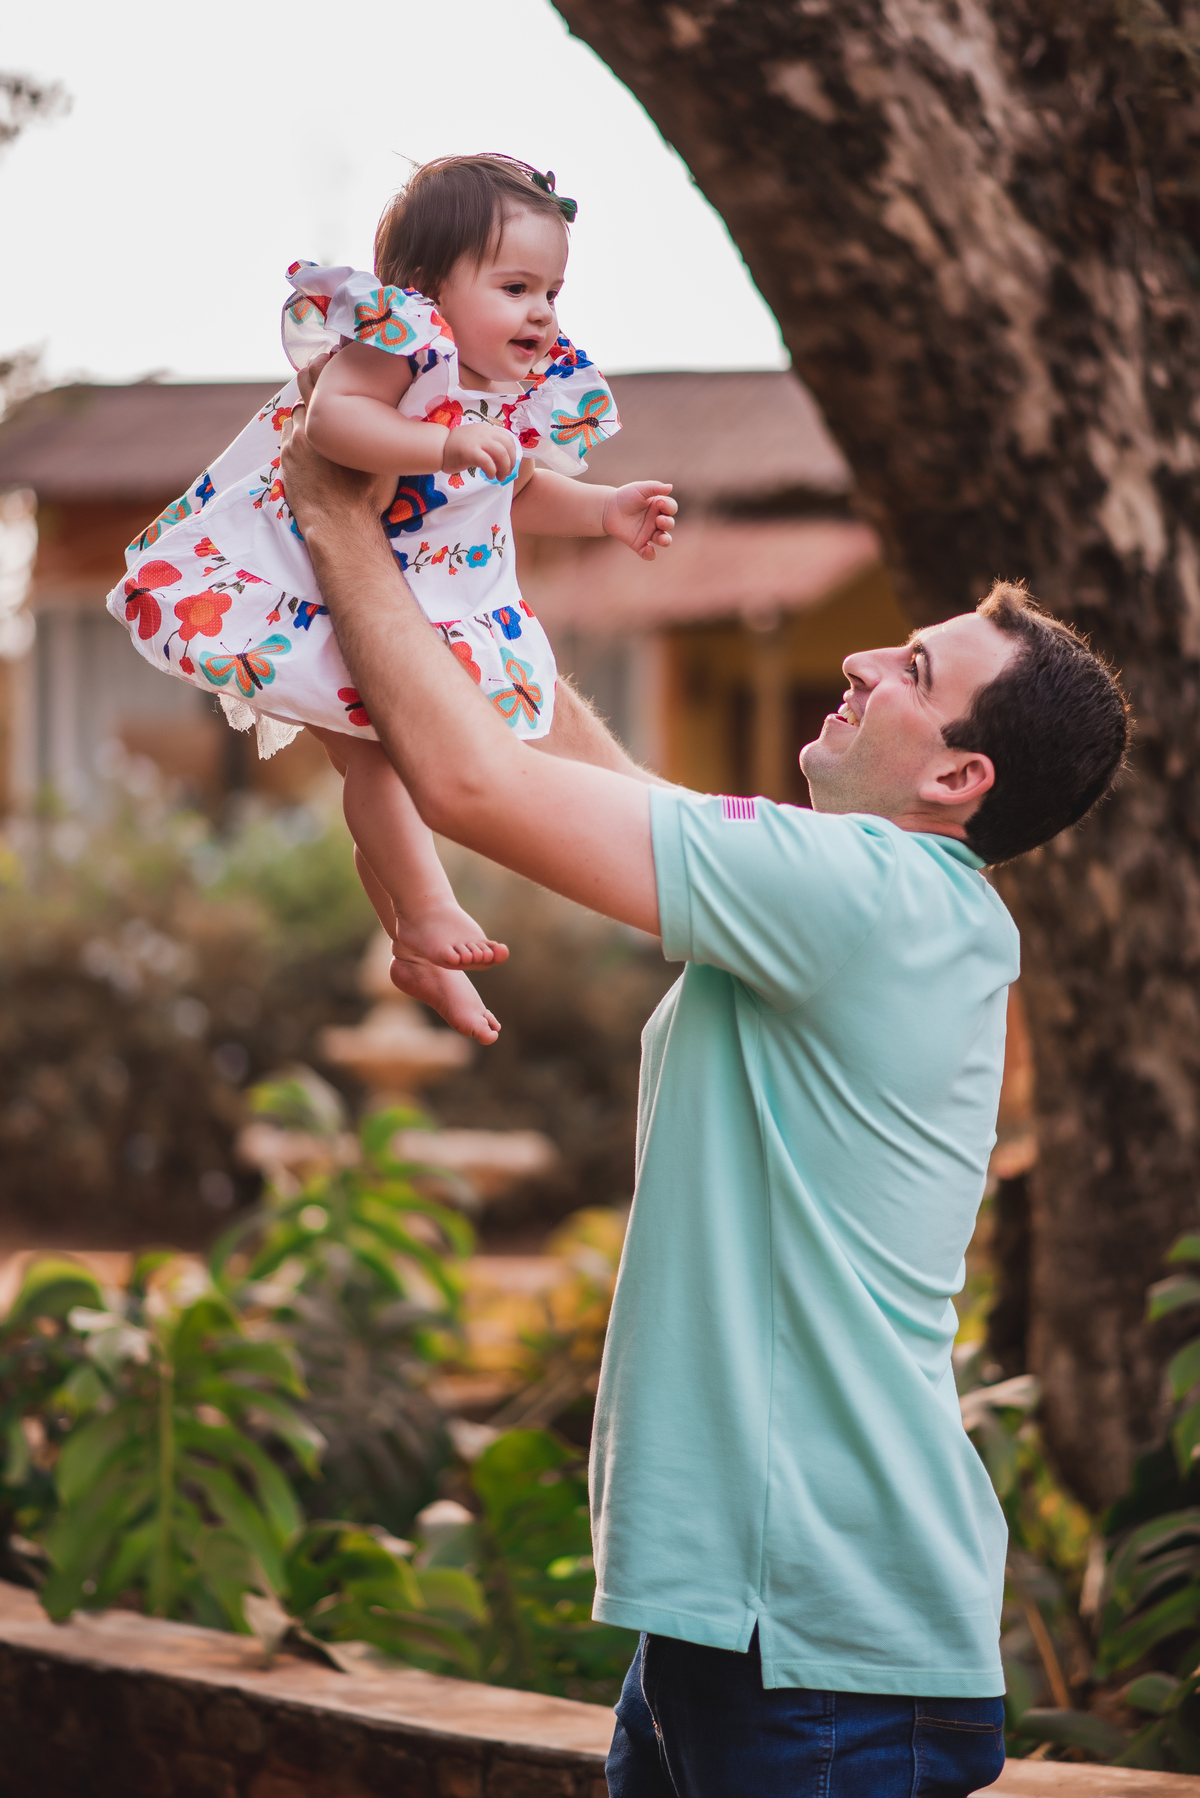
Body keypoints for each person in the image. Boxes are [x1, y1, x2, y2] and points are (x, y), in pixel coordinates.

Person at [275, 392, 1130, 1798]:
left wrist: (328, 513)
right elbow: (580, 786)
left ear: (957, 775)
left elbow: (473, 786)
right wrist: (455, 577)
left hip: (827, 1656)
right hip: (744, 1634)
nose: (859, 657)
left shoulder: (874, 895)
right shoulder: (861, 897)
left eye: (911, 666)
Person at [105, 154, 676, 1044]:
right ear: (423, 286)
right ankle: (427, 909)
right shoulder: (400, 342)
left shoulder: (511, 392)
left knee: (399, 764)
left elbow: (517, 489)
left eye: (552, 291)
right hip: (325, 596)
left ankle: (413, 942)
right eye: (516, 285)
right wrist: (442, 446)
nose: (541, 312)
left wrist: (605, 510)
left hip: (433, 605)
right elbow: (335, 424)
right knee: (379, 766)